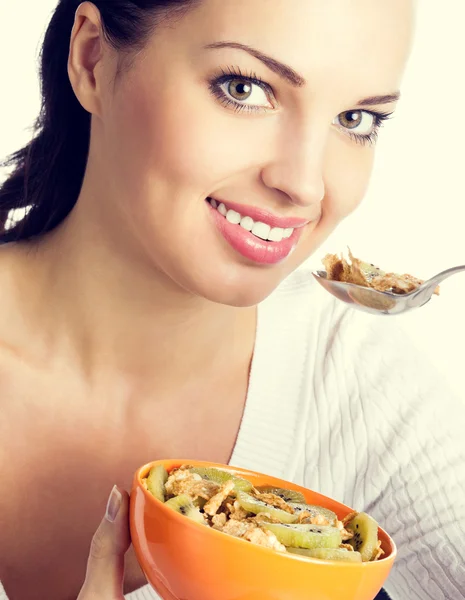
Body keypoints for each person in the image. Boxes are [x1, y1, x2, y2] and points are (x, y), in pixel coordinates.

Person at [0, 0, 463, 599]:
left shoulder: (355, 383)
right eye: (244, 88)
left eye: (354, 120)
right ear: (92, 59)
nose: (304, 183)